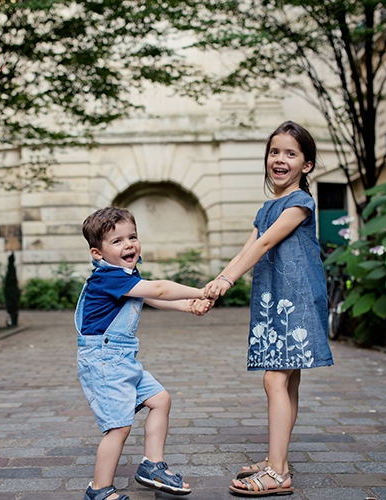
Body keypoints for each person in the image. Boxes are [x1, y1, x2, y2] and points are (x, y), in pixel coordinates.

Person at [204, 121, 334, 496]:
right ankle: (277, 459)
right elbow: (246, 249)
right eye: (274, 151)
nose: (280, 159)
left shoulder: (299, 203)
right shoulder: (267, 208)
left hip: (295, 302)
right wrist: (216, 284)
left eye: (291, 153)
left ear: (306, 165)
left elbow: (262, 247)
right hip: (274, 300)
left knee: (274, 379)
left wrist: (226, 282)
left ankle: (277, 473)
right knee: (287, 380)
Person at [76, 206, 211, 500]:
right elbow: (160, 290)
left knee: (160, 400)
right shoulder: (108, 278)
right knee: (119, 427)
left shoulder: (125, 275)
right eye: (118, 241)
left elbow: (150, 296)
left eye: (132, 237)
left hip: (122, 359)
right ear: (98, 253)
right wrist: (199, 292)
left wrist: (186, 306)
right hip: (103, 361)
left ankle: (152, 464)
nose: (129, 245)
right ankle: (98, 490)